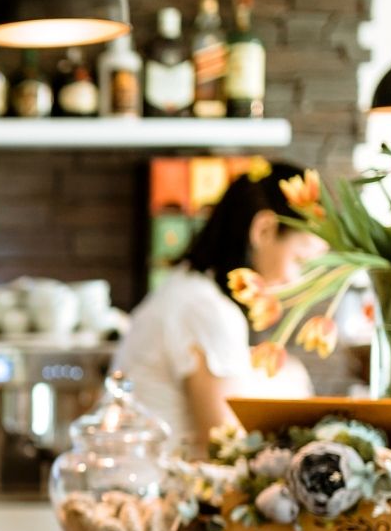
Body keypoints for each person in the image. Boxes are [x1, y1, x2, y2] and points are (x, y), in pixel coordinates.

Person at [117, 162, 326, 455]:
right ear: (264, 229)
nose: (297, 280)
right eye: (300, 260)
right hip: (156, 489)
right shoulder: (206, 310)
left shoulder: (189, 287)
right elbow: (225, 447)